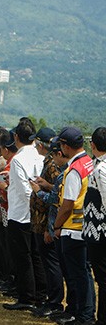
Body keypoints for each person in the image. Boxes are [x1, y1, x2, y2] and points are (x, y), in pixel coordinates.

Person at [52, 126, 95, 324]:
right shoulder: (89, 163)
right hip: (86, 227)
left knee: (78, 277)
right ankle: (85, 314)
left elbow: (67, 203)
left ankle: (83, 316)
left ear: (66, 146)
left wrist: (57, 224)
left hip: (72, 229)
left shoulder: (74, 170)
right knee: (84, 275)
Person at [2, 120, 46, 312]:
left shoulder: (19, 159)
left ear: (16, 138)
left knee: (23, 257)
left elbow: (23, 189)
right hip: (36, 214)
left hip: (21, 213)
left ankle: (27, 296)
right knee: (37, 256)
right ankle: (40, 294)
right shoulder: (39, 156)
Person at [27, 127, 64, 318]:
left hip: (46, 222)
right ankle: (52, 299)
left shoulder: (51, 164)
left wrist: (40, 187)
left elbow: (58, 195)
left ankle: (55, 302)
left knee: (51, 263)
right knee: (47, 262)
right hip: (42, 220)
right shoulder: (48, 162)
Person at [84, 127, 106, 325]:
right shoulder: (97, 165)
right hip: (96, 229)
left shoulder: (101, 169)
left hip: (100, 232)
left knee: (103, 279)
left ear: (93, 144)